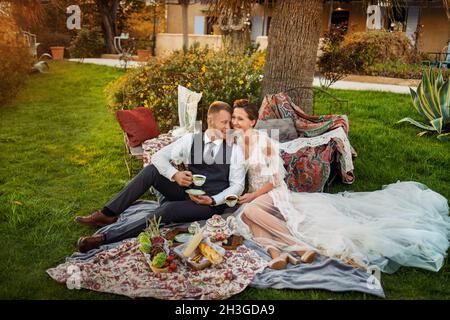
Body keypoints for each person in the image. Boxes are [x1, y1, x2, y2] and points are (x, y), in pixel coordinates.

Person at [231, 99, 450, 272]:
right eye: (233, 118)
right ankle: (276, 254)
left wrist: (251, 196)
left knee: (249, 210)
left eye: (239, 119)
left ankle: (303, 247)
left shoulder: (265, 142)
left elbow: (276, 179)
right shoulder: (238, 141)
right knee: (247, 217)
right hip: (254, 195)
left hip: (272, 191)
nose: (234, 122)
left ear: (253, 121)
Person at [75, 101, 246, 252]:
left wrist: (213, 200)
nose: (228, 128)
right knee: (152, 170)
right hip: (187, 191)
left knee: (167, 210)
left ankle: (106, 237)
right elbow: (158, 157)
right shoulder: (190, 140)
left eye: (230, 124)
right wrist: (175, 175)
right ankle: (108, 213)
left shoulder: (235, 150)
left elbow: (237, 185)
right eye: (224, 122)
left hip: (210, 204)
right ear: (210, 121)